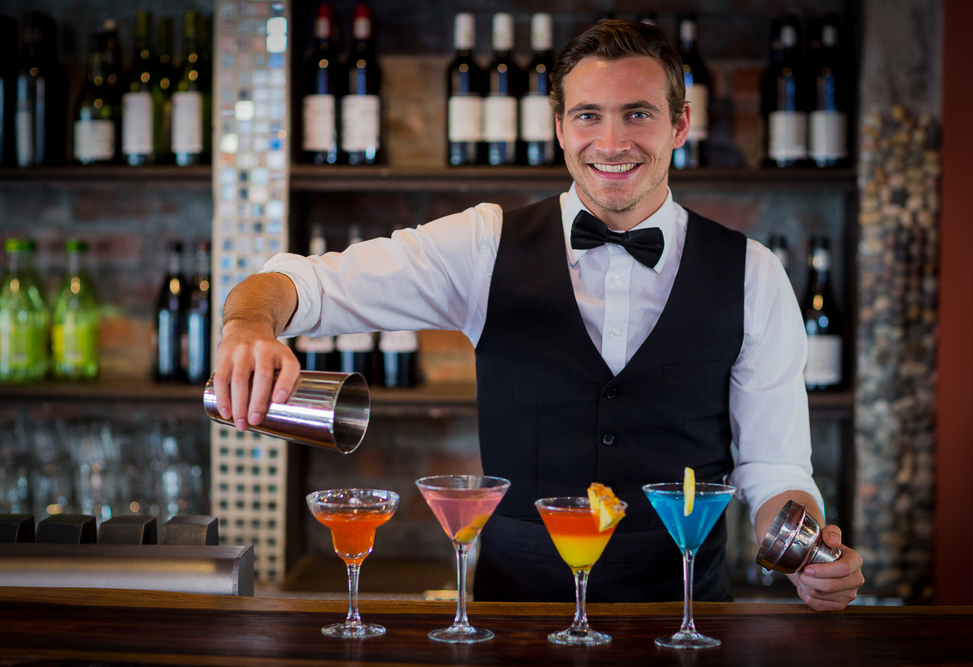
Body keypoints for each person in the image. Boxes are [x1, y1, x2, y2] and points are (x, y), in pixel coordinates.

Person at [213, 19, 863, 610]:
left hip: (685, 615)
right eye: (587, 115)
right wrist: (249, 322)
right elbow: (307, 284)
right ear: (558, 127)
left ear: (680, 124)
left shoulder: (753, 273)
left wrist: (807, 553)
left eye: (637, 113)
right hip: (513, 617)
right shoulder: (483, 245)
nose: (611, 141)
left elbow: (773, 468)